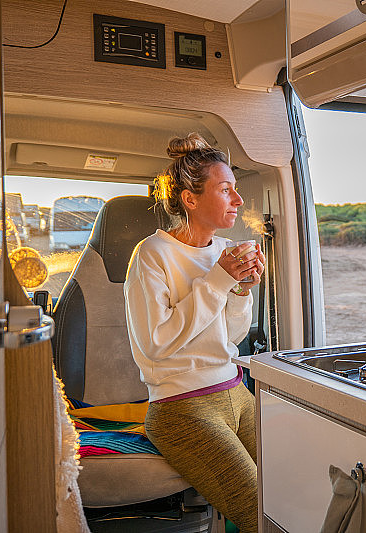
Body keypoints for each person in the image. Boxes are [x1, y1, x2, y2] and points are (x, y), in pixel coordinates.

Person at [124, 132, 264, 532]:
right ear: (190, 199)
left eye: (236, 190)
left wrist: (240, 292)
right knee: (261, 512)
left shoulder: (222, 250)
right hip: (182, 406)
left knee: (295, 486)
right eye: (226, 190)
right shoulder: (153, 254)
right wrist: (219, 281)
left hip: (235, 392)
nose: (238, 200)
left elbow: (229, 337)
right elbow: (156, 343)